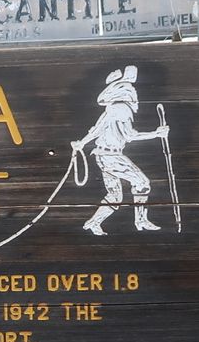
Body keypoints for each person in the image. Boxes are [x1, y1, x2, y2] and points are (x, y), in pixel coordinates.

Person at [72, 65, 168, 236]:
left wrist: (82, 143)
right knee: (142, 183)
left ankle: (93, 222)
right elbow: (129, 135)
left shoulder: (111, 109)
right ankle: (140, 220)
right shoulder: (122, 109)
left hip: (103, 156)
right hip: (111, 156)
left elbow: (95, 130)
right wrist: (156, 134)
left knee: (115, 196)